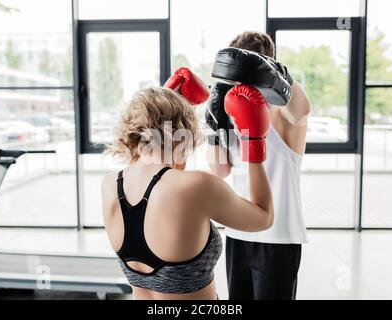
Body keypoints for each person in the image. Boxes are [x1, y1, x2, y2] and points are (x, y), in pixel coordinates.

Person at [101, 67, 275, 300]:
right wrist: (253, 141)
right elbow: (263, 218)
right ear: (184, 131)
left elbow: (154, 167)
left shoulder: (110, 185)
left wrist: (160, 105)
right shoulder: (199, 186)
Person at [206, 31, 311, 300]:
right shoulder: (231, 113)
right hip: (239, 231)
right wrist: (214, 129)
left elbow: (302, 110)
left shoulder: (282, 112)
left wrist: (271, 72)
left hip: (278, 237)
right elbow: (220, 171)